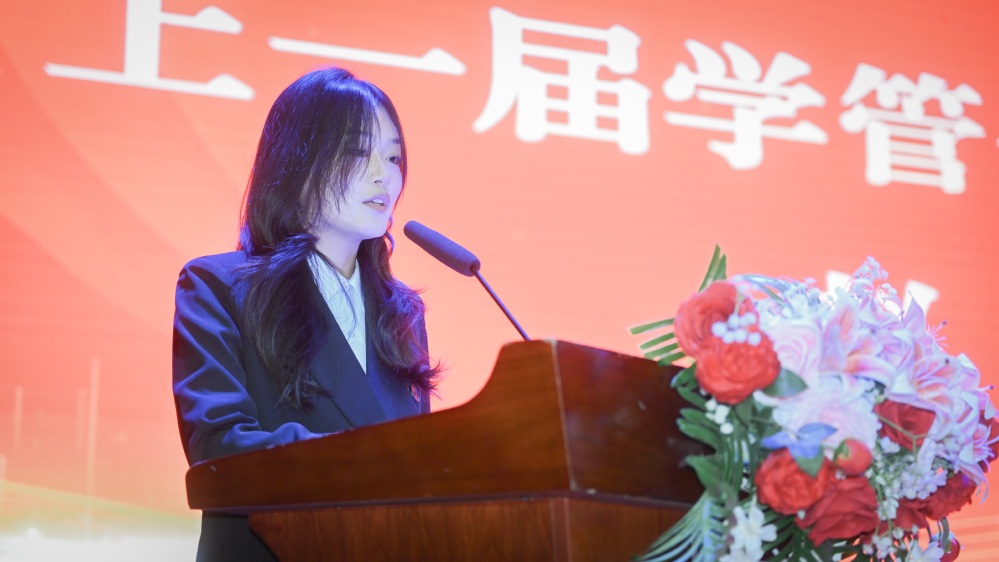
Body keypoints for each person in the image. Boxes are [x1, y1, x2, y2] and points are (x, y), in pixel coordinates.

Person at [172, 67, 441, 562]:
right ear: (297, 161)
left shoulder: (403, 313)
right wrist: (375, 460)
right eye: (358, 152)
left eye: (393, 156)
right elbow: (219, 446)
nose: (384, 174)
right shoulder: (219, 287)